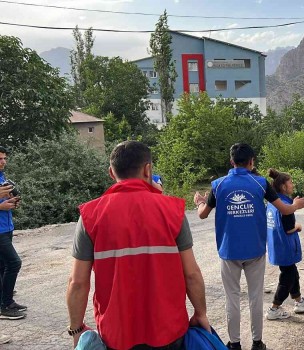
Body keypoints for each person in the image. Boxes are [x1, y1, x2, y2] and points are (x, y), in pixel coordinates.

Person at [66, 141, 210, 349]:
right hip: (169, 330)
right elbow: (192, 274)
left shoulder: (91, 216)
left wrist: (76, 329)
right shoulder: (172, 211)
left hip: (117, 334)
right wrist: (200, 313)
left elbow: (77, 283)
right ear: (148, 169)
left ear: (111, 172)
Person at [193, 143, 304, 350]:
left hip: (229, 252)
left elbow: (202, 214)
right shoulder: (261, 183)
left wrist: (199, 202)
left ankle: (234, 344)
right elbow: (284, 209)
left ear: (231, 161)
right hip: (255, 251)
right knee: (255, 298)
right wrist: (296, 206)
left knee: (232, 298)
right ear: (252, 161)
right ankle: (257, 343)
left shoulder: (218, 185)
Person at [264, 169, 304, 321]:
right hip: (285, 247)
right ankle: (274, 308)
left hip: (277, 246)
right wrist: (298, 226)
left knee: (292, 273)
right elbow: (289, 229)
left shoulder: (273, 203)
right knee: (287, 277)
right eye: (290, 182)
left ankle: (299, 301)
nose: (292, 185)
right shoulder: (285, 205)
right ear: (283, 187)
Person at [0, 146, 27, 320]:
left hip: (6, 227)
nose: (3, 162)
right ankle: (5, 305)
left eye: (4, 158)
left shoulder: (2, 178)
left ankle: (5, 301)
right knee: (14, 263)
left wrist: (11, 202)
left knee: (2, 266)